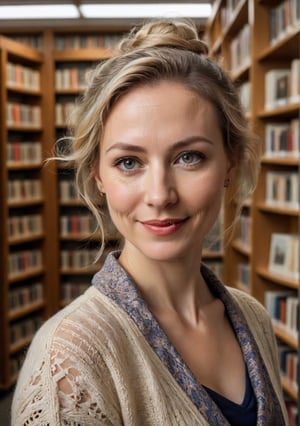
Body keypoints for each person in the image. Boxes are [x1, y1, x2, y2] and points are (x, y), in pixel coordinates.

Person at [12, 19, 288, 426]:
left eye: (188, 157)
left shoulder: (253, 318)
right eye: (129, 162)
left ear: (231, 162)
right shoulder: (68, 361)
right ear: (98, 176)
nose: (160, 195)